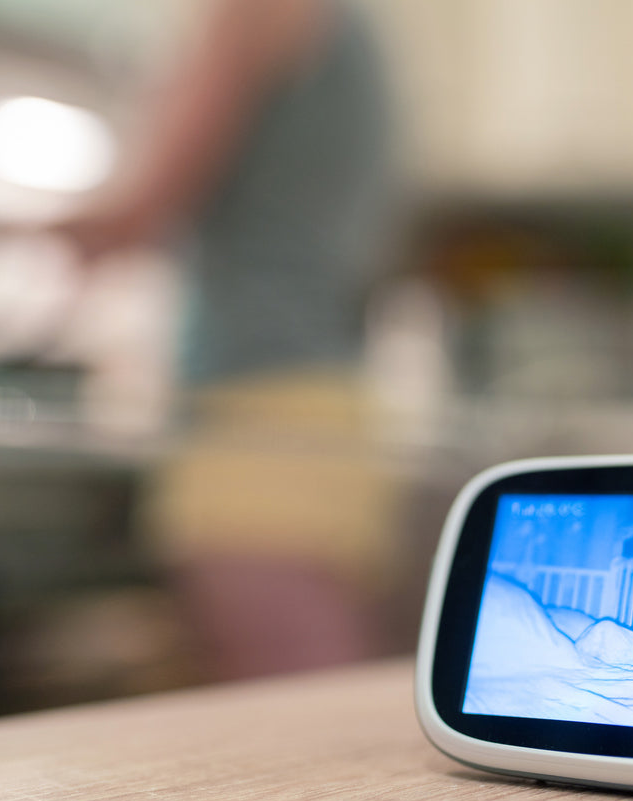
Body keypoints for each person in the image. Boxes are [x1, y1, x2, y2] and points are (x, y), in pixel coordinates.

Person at [54, 0, 397, 681]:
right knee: (301, 688)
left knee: (290, 692)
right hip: (317, 402)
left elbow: (141, 209)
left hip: (258, 411)